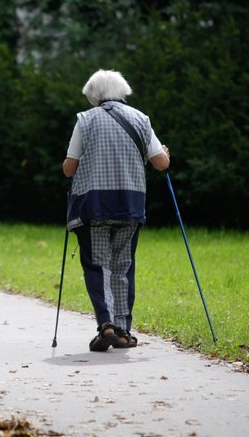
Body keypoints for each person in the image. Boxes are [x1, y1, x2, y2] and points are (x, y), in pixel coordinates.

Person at [62, 69, 170, 351]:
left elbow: (69, 168)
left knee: (98, 264)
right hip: (130, 203)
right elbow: (160, 163)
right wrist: (166, 154)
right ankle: (122, 331)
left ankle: (106, 324)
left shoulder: (85, 120)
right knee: (123, 267)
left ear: (94, 95)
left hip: (94, 205)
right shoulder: (141, 119)